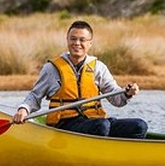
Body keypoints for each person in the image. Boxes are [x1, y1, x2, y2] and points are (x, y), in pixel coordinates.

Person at [13, 20, 148, 138]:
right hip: (66, 124)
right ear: (67, 40)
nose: (77, 43)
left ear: (90, 43)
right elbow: (35, 96)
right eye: (73, 39)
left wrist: (127, 93)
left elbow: (117, 99)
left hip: (95, 121)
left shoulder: (98, 67)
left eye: (82, 40)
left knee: (139, 126)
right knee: (102, 126)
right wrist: (23, 109)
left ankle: (122, 157)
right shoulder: (51, 68)